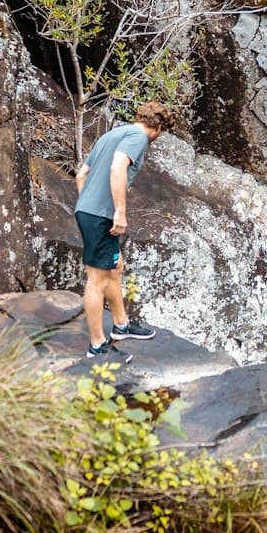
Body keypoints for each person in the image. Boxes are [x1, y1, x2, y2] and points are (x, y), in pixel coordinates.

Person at [74, 101, 174, 360]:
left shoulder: (112, 134)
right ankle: (97, 344)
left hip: (89, 211)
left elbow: (81, 174)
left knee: (114, 267)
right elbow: (117, 167)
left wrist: (88, 204)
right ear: (158, 128)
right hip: (101, 215)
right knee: (97, 279)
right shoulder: (139, 137)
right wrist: (118, 211)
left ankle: (121, 324)